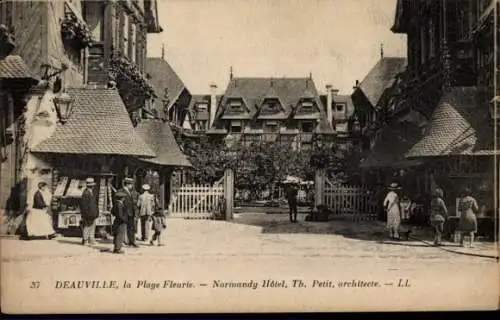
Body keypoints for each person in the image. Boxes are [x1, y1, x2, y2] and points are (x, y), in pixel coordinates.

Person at [119, 178, 139, 248]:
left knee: (131, 227)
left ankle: (132, 241)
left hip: (130, 212)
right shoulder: (121, 191)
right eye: (131, 184)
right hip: (124, 213)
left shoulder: (129, 192)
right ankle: (124, 241)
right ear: (127, 184)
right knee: (123, 227)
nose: (132, 186)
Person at [80, 177, 99, 246]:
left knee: (92, 227)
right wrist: (86, 214)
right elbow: (84, 206)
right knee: (87, 227)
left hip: (92, 213)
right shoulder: (86, 193)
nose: (93, 187)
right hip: (88, 214)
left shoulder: (91, 192)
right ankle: (85, 240)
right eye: (92, 186)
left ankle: (91, 239)